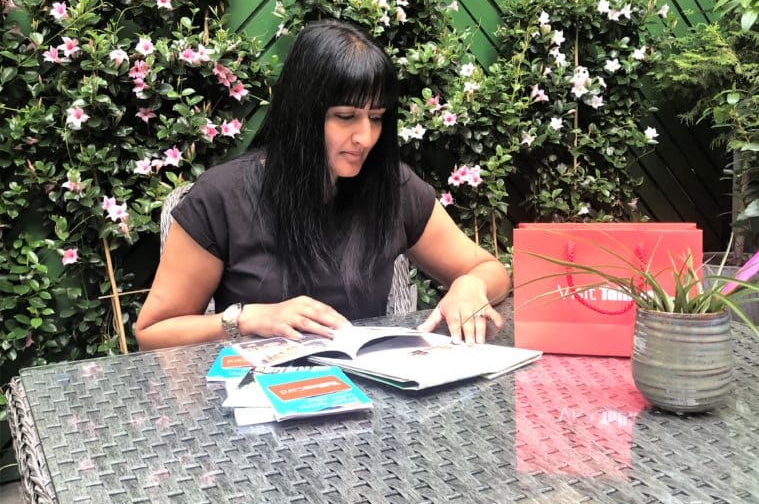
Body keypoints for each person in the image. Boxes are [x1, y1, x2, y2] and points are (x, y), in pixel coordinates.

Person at [135, 19, 511, 351]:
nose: (365, 137)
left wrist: (470, 286)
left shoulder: (391, 187)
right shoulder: (222, 197)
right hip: (263, 407)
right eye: (345, 116)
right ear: (303, 115)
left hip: (370, 399)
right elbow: (153, 331)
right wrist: (247, 320)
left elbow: (490, 270)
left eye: (376, 118)